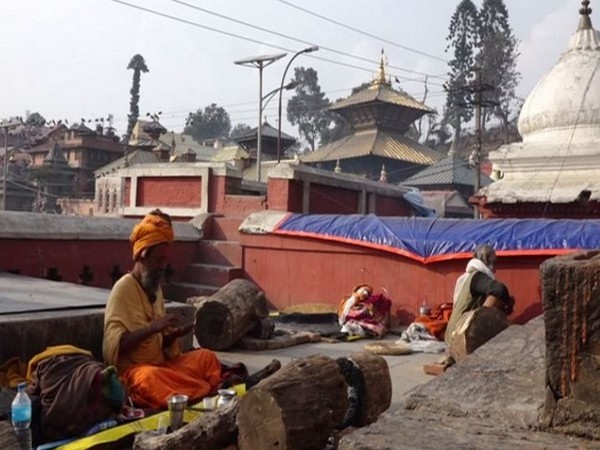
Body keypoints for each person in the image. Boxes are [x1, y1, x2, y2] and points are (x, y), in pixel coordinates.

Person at [103, 209, 226, 409]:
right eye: (158, 260)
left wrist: (171, 335)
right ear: (142, 256)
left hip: (163, 366)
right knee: (152, 378)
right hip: (135, 371)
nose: (162, 267)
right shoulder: (123, 289)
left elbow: (157, 345)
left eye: (164, 261)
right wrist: (154, 328)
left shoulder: (155, 289)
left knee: (206, 357)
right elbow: (116, 347)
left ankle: (193, 390)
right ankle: (201, 388)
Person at [444, 244, 514, 346]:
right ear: (485, 259)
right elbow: (499, 289)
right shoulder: (477, 276)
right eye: (494, 262)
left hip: (452, 335)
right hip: (460, 337)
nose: (495, 268)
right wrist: (507, 300)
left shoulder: (466, 277)